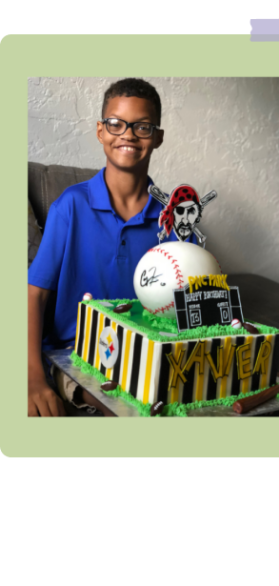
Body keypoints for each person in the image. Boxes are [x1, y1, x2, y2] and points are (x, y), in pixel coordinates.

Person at [28, 78, 196, 416]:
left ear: (158, 137)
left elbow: (190, 305)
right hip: (75, 355)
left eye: (142, 126)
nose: (128, 134)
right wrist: (31, 376)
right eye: (116, 124)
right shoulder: (70, 206)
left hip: (149, 351)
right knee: (121, 406)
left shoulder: (175, 218)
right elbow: (35, 295)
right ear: (101, 131)